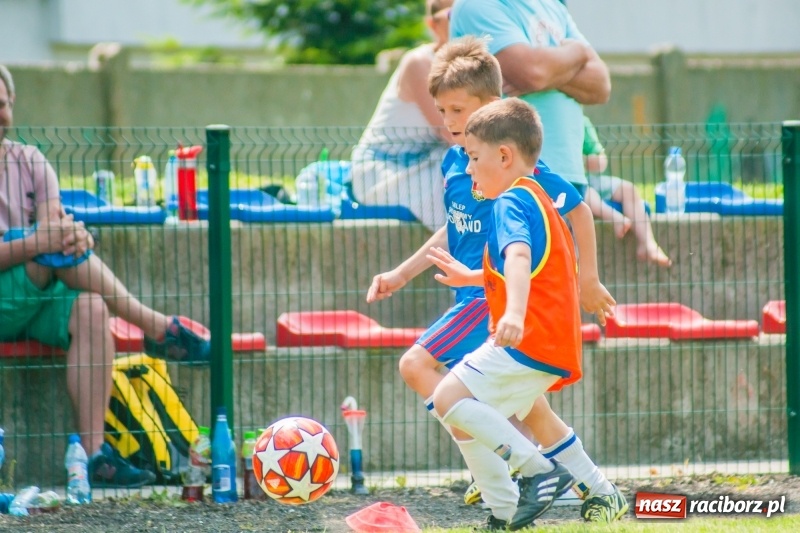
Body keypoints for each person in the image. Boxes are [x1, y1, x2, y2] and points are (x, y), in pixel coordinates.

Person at [366, 38, 626, 529]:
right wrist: (403, 272)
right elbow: (456, 223)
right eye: (442, 108)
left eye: (458, 109)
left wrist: (587, 279)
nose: (447, 119)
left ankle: (503, 488)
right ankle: (598, 491)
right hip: (483, 290)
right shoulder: (458, 163)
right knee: (533, 413)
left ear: (493, 108)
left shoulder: (517, 172)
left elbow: (576, 212)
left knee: (420, 366)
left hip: (488, 300)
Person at [0, 64, 210, 488]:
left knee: (93, 307)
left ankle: (94, 456)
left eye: (1, 104)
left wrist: (73, 237)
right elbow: (43, 241)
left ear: (12, 105)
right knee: (48, 248)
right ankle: (154, 325)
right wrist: (41, 242)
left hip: (37, 294)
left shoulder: (29, 160)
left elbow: (53, 232)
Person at [431, 97, 586, 530]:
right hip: (552, 344)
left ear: (504, 155)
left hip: (528, 340)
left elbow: (518, 258)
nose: (470, 169)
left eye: (475, 158)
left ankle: (539, 470)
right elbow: (532, 269)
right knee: (472, 413)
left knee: (449, 398)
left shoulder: (509, 202)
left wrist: (513, 314)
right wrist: (471, 280)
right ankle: (502, 513)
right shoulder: (538, 197)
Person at [449, 0, 611, 193]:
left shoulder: (552, 5)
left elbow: (601, 87)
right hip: (505, 175)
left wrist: (546, 72)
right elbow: (533, 73)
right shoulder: (477, 5)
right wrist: (578, 54)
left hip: (566, 175)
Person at [349, 0, 454, 232]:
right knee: (460, 175)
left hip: (428, 162)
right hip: (382, 169)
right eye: (452, 13)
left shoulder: (473, 65)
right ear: (432, 25)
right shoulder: (419, 63)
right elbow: (452, 132)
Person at [581, 115, 672, 267]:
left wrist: (585, 160)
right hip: (574, 182)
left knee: (629, 190)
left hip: (587, 174)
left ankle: (648, 243)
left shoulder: (581, 120)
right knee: (585, 193)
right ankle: (616, 218)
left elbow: (600, 161)